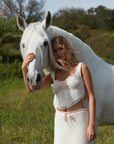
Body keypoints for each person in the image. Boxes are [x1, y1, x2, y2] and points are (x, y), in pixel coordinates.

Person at [22, 36, 96, 144]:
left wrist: (91, 125)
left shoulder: (81, 68)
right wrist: (24, 69)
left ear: (67, 49)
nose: (58, 53)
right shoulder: (53, 75)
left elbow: (91, 97)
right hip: (60, 120)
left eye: (61, 49)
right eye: (55, 51)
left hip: (79, 119)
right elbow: (31, 90)